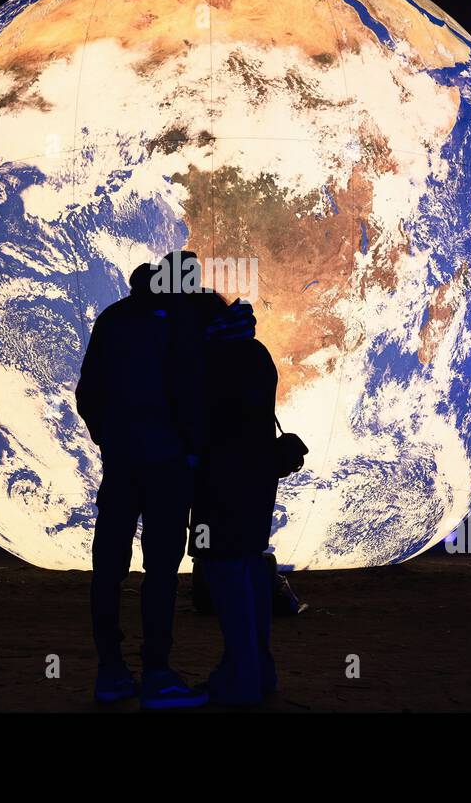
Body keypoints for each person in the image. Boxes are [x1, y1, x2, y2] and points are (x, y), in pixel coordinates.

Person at [75, 252, 220, 710]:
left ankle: (111, 671)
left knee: (109, 568)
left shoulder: (115, 317)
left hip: (122, 463)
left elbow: (88, 393)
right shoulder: (182, 322)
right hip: (168, 466)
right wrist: (192, 450)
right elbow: (193, 391)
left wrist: (109, 439)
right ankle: (157, 673)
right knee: (160, 570)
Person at [188, 297, 280, 706]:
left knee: (224, 569)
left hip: (221, 482)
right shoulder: (256, 352)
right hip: (258, 479)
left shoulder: (215, 360)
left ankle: (240, 678)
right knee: (248, 564)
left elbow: (204, 423)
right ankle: (258, 671)